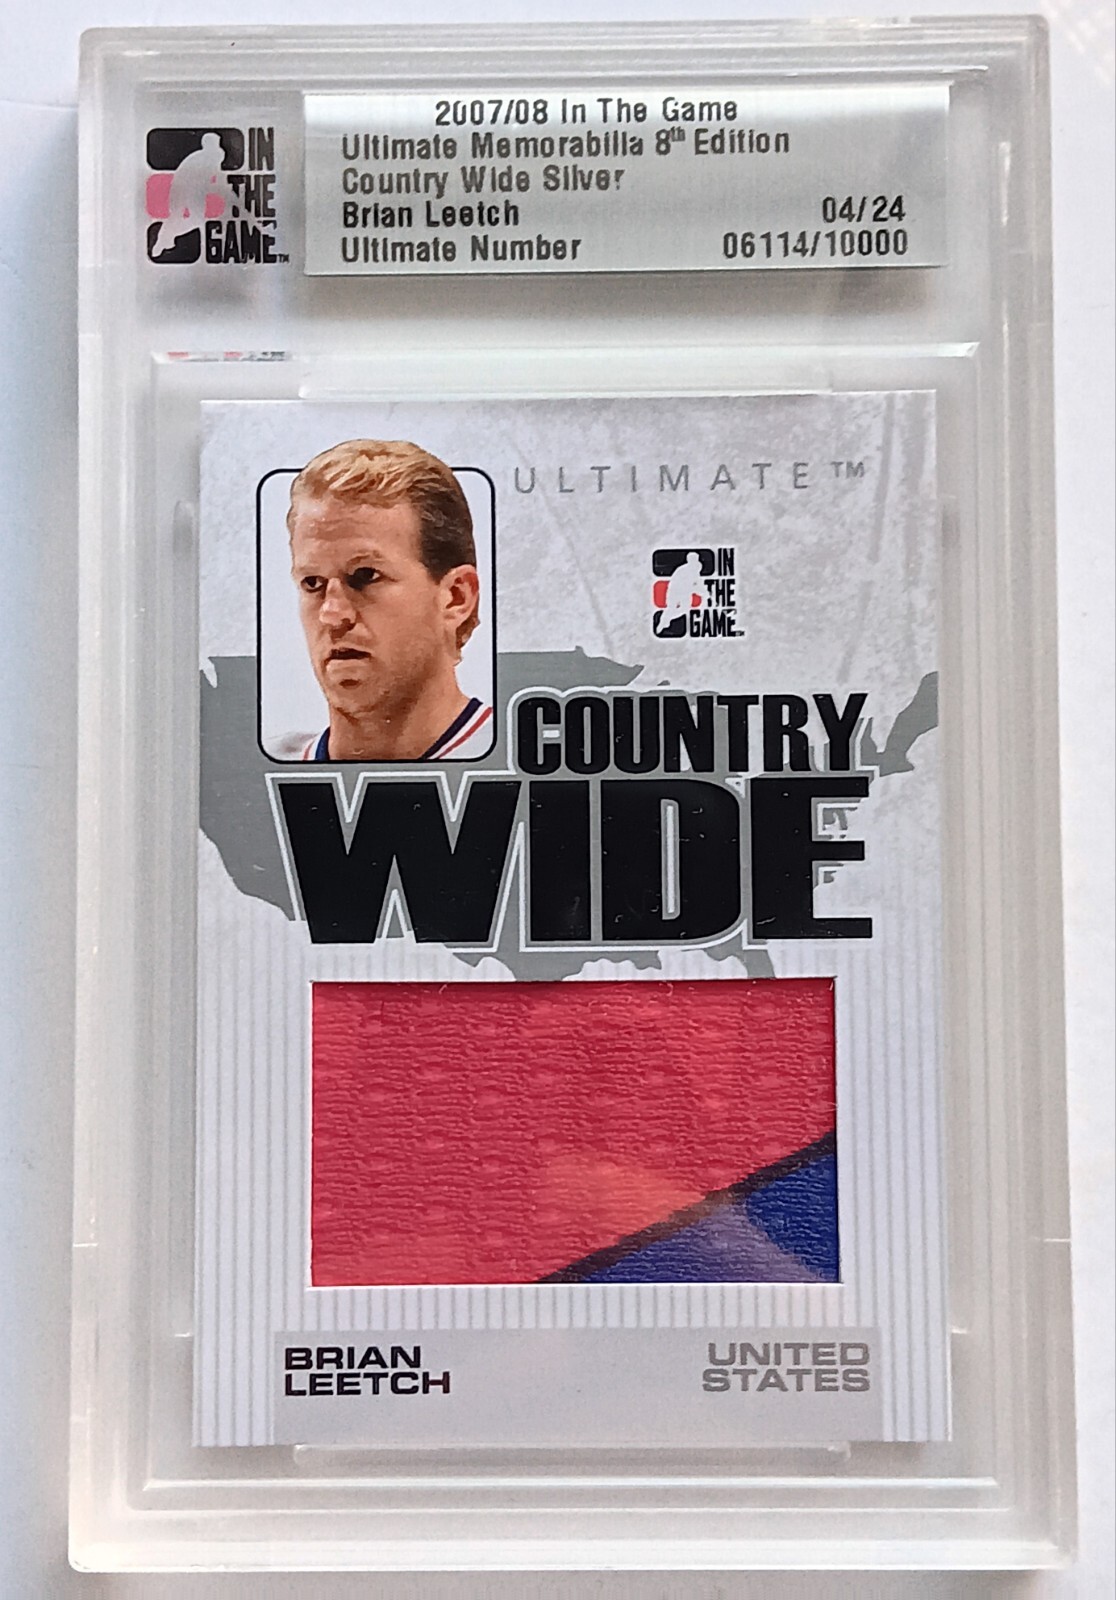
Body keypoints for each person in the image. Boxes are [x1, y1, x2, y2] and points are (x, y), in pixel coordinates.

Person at [277, 438, 491, 761]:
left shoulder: (524, 763)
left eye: (365, 576)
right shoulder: (254, 771)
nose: (332, 614)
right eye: (312, 583)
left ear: (455, 597)